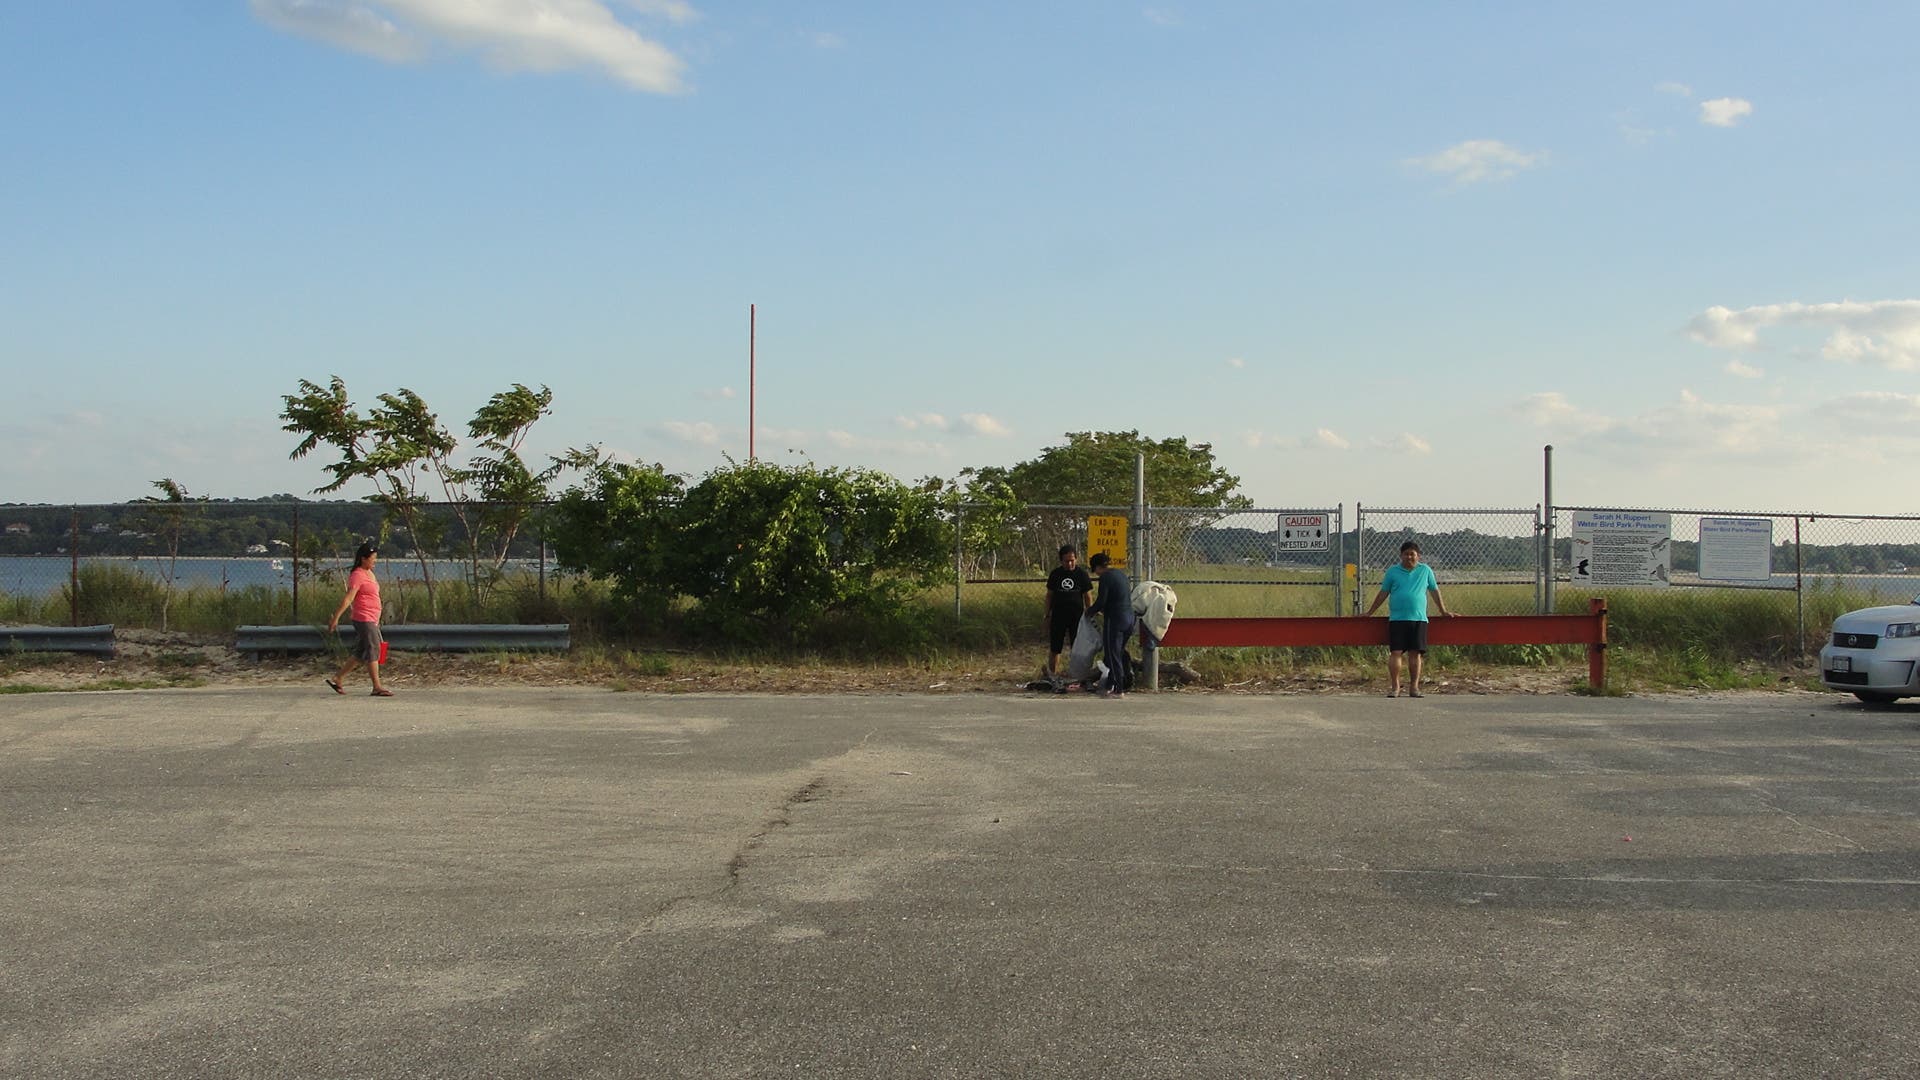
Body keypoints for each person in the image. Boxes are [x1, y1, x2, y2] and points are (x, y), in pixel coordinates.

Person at [1364, 540, 1453, 698]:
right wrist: (1370, 612)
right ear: (1401, 555)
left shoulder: (1425, 570)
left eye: (1412, 554)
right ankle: (1395, 687)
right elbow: (1383, 593)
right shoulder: (1392, 571)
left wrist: (1443, 611)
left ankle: (1414, 687)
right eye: (1406, 554)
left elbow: (1434, 591)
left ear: (1418, 556)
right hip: (1397, 619)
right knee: (1396, 652)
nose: (1409, 557)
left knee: (1415, 653)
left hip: (1418, 618)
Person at [326, 542, 393, 697]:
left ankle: (338, 677)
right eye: (373, 558)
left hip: (372, 618)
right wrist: (336, 617)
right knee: (373, 649)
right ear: (364, 558)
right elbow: (349, 598)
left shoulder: (369, 573)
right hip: (364, 618)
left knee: (362, 651)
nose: (375, 561)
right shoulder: (357, 575)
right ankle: (377, 686)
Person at [1087, 551, 1135, 699]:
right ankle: (1110, 684)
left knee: (1112, 653)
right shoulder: (1120, 574)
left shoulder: (1106, 577)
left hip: (1115, 619)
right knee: (1117, 652)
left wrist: (1090, 611)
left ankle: (1119, 689)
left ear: (1097, 567)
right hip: (1129, 617)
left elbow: (1102, 600)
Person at [1044, 544, 1094, 675]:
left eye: (1072, 560)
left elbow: (1087, 596)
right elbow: (1049, 595)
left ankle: (1076, 674)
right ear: (1061, 561)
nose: (1070, 563)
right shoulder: (1055, 574)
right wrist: (1047, 614)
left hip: (1077, 617)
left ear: (1076, 559)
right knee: (1055, 647)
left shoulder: (1082, 574)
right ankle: (1053, 674)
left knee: (1077, 647)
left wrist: (1090, 613)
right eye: (1067, 561)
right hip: (1058, 616)